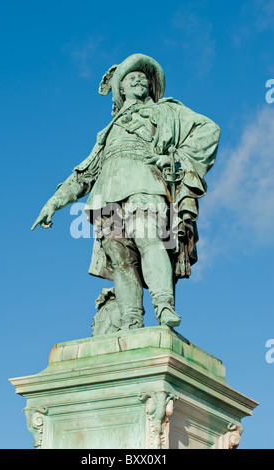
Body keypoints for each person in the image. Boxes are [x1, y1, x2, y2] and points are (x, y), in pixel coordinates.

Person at [31, 54, 220, 331]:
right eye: (132, 77)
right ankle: (131, 320)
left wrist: (178, 159)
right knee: (120, 258)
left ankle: (164, 305)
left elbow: (209, 129)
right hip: (107, 193)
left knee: (149, 237)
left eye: (144, 78)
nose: (139, 80)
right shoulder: (108, 131)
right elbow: (85, 174)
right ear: (121, 88)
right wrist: (53, 203)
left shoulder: (167, 110)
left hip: (147, 184)